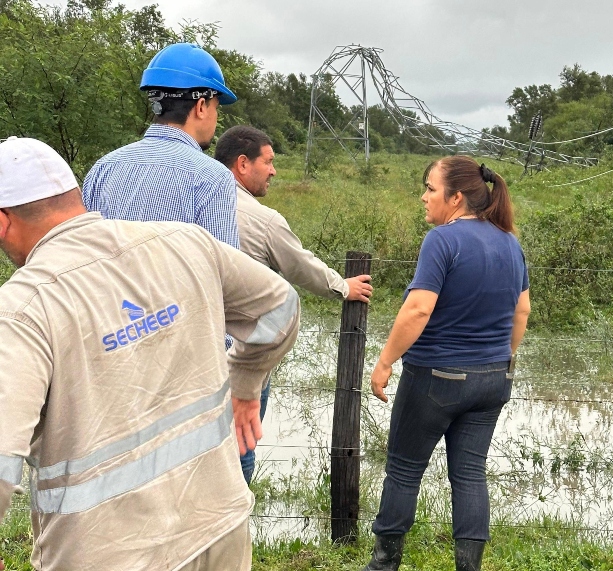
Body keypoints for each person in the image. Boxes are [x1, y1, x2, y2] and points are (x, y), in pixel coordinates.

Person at [0, 137, 300, 570]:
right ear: (73, 198)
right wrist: (246, 384)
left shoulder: (23, 309)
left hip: (106, 554)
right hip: (219, 532)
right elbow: (280, 307)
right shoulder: (187, 242)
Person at [364, 156, 530, 571]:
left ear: (456, 198)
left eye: (431, 189)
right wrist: (500, 357)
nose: (424, 197)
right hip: (494, 380)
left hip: (436, 378)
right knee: (470, 474)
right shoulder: (510, 241)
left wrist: (385, 361)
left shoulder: (442, 240)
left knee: (403, 471)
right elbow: (522, 311)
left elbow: (418, 309)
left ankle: (383, 565)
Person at [214, 125, 373, 483]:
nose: (273, 171)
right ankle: (235, 531)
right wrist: (342, 287)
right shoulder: (264, 220)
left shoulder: (187, 202)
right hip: (245, 357)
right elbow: (301, 266)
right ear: (242, 164)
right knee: (239, 448)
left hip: (187, 353)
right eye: (268, 162)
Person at [82, 42, 240, 248]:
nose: (216, 117)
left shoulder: (103, 168)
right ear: (201, 106)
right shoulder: (213, 178)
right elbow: (224, 271)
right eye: (216, 107)